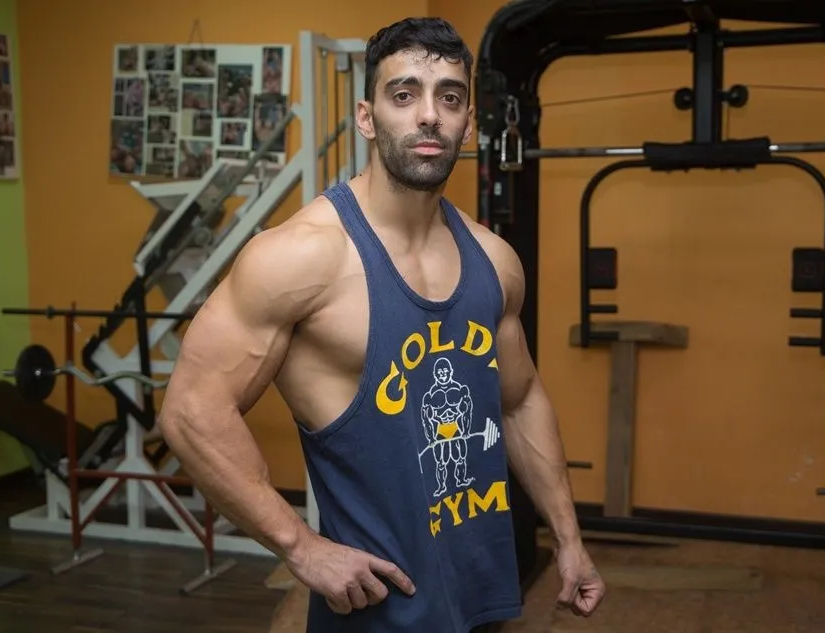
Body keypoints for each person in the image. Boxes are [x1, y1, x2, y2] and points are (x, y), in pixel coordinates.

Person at [157, 16, 605, 633]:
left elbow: (521, 398)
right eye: (404, 95)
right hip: (374, 606)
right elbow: (190, 411)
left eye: (449, 97)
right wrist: (300, 546)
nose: (429, 115)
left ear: (468, 123)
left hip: (479, 585)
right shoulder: (301, 256)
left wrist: (569, 539)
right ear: (367, 117)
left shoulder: (493, 261)